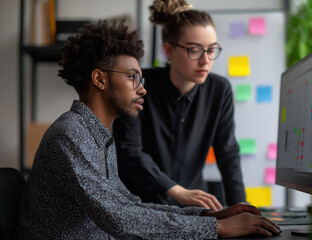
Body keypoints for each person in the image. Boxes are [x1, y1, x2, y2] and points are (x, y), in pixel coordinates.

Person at [15, 20, 280, 239]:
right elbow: (120, 219)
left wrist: (209, 216)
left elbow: (130, 206)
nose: (142, 89)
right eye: (132, 77)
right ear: (100, 79)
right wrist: (217, 228)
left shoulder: (97, 137)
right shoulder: (70, 135)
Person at [113, 0, 246, 210]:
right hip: (140, 207)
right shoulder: (139, 86)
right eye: (195, 50)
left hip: (192, 209)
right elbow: (128, 151)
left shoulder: (220, 91)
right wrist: (175, 189)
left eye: (212, 50)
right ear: (169, 50)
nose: (206, 61)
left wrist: (242, 207)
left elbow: (228, 154)